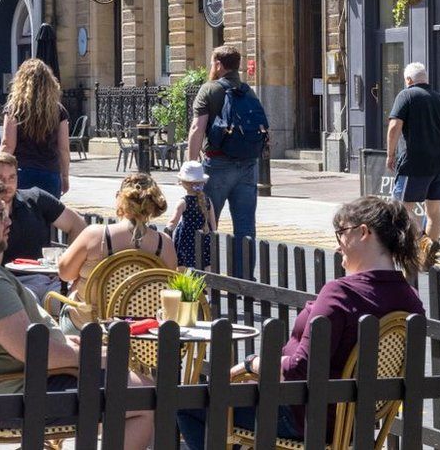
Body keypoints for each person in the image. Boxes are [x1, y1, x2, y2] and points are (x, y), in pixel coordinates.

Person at [176, 196, 425, 448]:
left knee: (186, 402)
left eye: (340, 233)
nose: (338, 245)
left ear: (363, 232)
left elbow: (299, 369)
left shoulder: (341, 292)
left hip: (303, 414)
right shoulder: (410, 300)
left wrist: (252, 364)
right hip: (356, 422)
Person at [0, 176, 154, 449]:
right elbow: (35, 352)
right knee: (146, 395)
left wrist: (67, 344)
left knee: (133, 385)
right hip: (17, 395)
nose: (9, 220)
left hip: (2, 387)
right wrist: (92, 357)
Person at [56, 173, 176, 334]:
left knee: (51, 301)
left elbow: (65, 274)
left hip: (90, 327)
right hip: (141, 334)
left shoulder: (94, 235)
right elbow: (168, 288)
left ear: (120, 199)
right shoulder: (165, 244)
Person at [186, 45, 267, 277]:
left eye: (212, 63)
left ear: (219, 65)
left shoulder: (209, 90)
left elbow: (196, 128)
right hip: (248, 165)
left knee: (206, 222)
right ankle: (244, 280)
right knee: (245, 226)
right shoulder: (248, 91)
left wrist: (191, 165)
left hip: (218, 165)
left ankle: (203, 275)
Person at [0, 152, 86, 302]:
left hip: (49, 281)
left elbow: (77, 224)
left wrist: (69, 265)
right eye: (0, 179)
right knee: (29, 305)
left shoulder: (36, 198)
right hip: (10, 284)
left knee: (77, 305)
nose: (7, 184)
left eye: (12, 177)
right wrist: (1, 217)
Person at [386, 62, 440, 268]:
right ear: (425, 79)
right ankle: (427, 255)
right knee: (434, 212)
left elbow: (394, 126)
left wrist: (390, 154)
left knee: (401, 209)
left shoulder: (406, 95)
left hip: (415, 164)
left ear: (408, 80)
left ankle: (422, 242)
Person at [0, 58, 71, 198]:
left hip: (21, 173)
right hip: (50, 174)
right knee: (49, 218)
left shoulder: (14, 108)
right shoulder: (58, 110)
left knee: (21, 217)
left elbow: (8, 145)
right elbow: (63, 149)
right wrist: (65, 176)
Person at [170, 161, 215, 269]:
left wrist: (168, 231)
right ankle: (207, 285)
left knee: (184, 265)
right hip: (205, 236)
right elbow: (213, 223)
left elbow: (173, 222)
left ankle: (185, 285)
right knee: (205, 264)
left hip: (186, 238)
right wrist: (212, 236)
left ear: (184, 183)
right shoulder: (207, 201)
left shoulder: (183, 202)